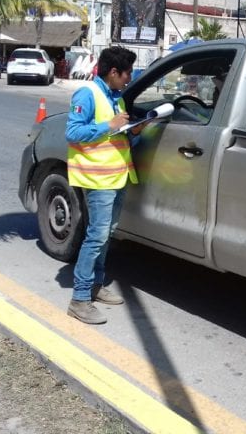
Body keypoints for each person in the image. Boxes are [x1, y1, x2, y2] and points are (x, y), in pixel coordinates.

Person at [65, 46, 148, 324]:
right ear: (113, 72)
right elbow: (73, 132)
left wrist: (132, 132)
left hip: (118, 176)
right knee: (96, 236)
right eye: (127, 74)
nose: (129, 79)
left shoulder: (117, 99)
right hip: (98, 178)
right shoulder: (87, 94)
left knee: (106, 234)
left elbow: (117, 137)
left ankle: (97, 285)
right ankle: (79, 299)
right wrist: (109, 126)